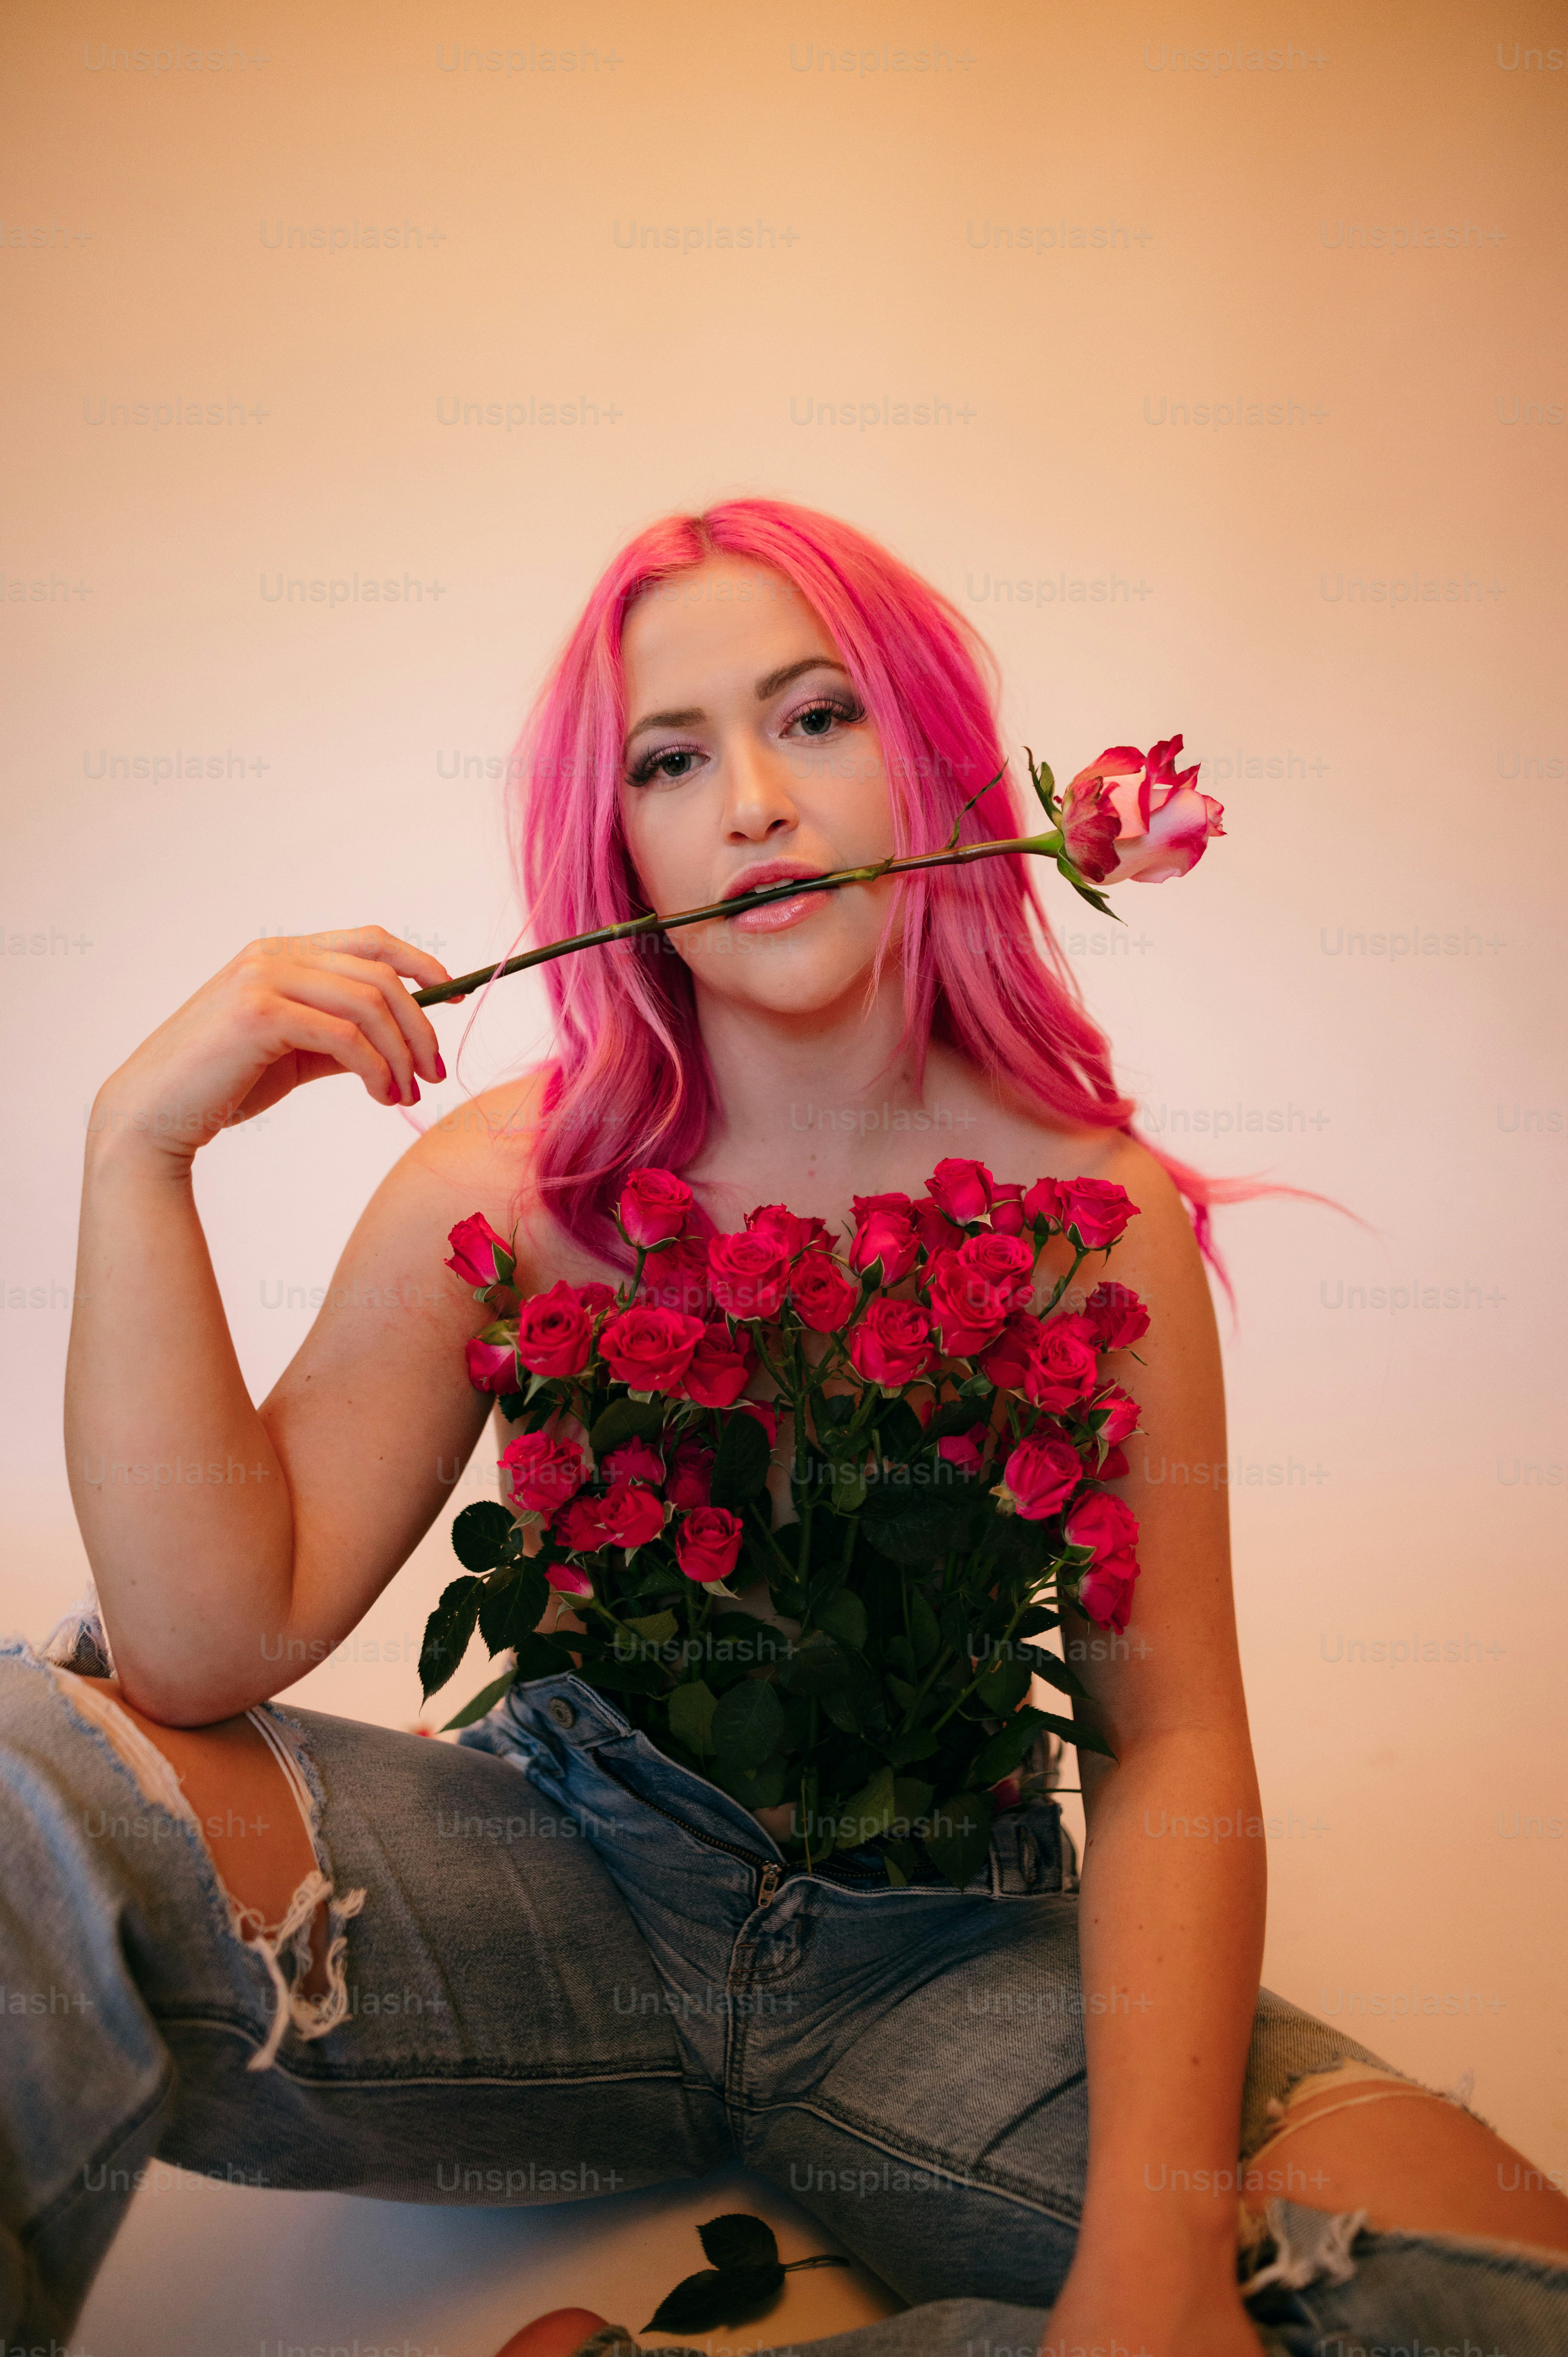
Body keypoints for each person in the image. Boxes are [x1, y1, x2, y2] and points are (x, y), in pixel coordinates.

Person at [5, 500, 1566, 2357]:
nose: (749, 798)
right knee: (22, 1776)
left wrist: (1149, 2267)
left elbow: (1171, 1745)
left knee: (1488, 2299)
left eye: (815, 717)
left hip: (947, 1962)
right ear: (620, 840)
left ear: (936, 763)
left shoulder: (1097, 1213)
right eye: (671, 759)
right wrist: (137, 1143)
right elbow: (204, 1637)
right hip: (557, 1898)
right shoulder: (519, 1183)